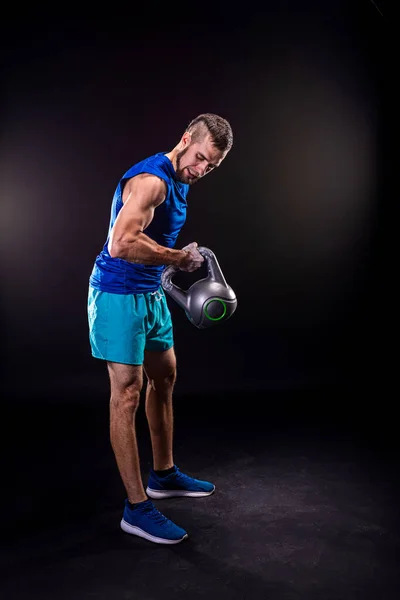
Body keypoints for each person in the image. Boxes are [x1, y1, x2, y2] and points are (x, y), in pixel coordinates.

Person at [87, 113, 233, 545]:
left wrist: (171, 261)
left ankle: (163, 475)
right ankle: (136, 509)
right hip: (117, 295)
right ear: (186, 139)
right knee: (126, 394)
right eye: (201, 158)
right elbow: (121, 243)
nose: (202, 170)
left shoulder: (181, 177)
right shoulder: (153, 181)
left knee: (165, 378)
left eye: (212, 166)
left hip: (149, 294)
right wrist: (176, 259)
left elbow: (151, 242)